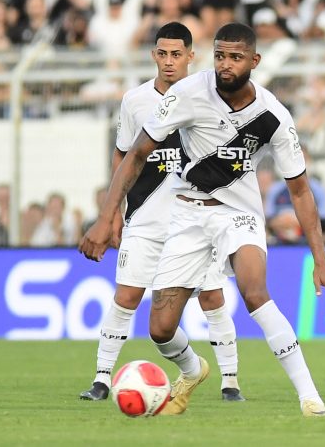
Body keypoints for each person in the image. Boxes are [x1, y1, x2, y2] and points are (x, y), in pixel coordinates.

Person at [79, 22, 325, 417]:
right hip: (187, 215)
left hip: (239, 215)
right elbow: (136, 154)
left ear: (254, 61)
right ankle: (191, 370)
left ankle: (310, 397)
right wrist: (107, 217)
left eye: (236, 57)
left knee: (254, 291)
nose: (225, 65)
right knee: (160, 329)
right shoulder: (187, 94)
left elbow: (300, 191)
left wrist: (321, 261)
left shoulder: (273, 116)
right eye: (220, 55)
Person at [79, 22, 245, 403]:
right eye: (162, 54)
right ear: (154, 55)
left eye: (176, 54)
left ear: (191, 56)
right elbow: (123, 154)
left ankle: (230, 381)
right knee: (127, 296)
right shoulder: (135, 101)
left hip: (196, 222)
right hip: (145, 218)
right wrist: (114, 211)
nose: (169, 62)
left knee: (212, 298)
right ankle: (102, 378)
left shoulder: (211, 97)